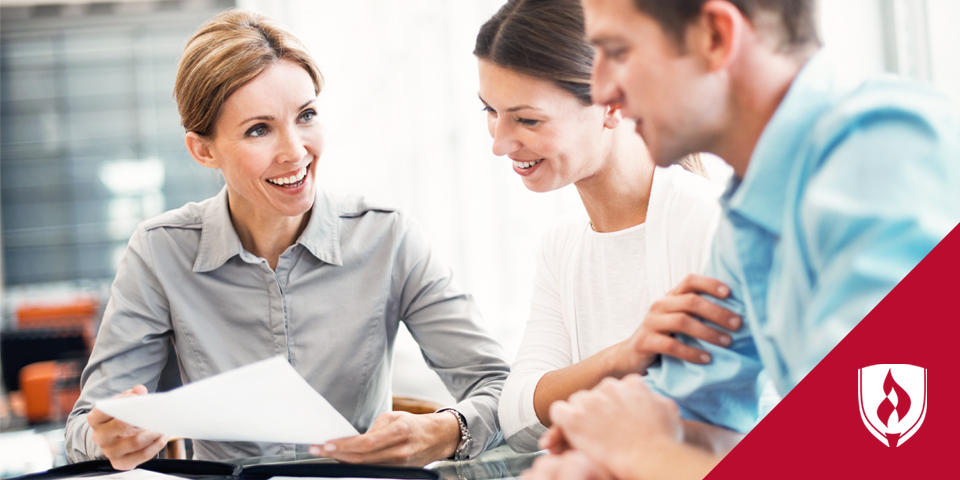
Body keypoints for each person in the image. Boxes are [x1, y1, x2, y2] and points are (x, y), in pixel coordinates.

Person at [527, 0, 960, 478]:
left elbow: (883, 452)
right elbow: (694, 414)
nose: (602, 88)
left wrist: (642, 455)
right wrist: (597, 447)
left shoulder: (883, 150)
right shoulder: (748, 216)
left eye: (617, 50)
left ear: (714, 36)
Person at [64, 10, 510, 470]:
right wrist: (112, 437)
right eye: (259, 129)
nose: (295, 151)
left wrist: (444, 430)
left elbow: (499, 388)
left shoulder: (388, 237)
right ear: (203, 149)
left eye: (306, 116)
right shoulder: (160, 251)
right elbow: (85, 426)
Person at [475, 0, 760, 454]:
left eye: (527, 119)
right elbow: (518, 417)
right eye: (490, 111)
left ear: (611, 103)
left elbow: (750, 422)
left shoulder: (708, 226)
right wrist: (625, 356)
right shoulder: (561, 247)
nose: (499, 143)